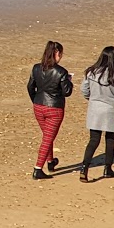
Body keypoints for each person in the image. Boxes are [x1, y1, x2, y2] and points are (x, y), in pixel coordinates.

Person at [79, 46, 114, 182]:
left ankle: (84, 167)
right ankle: (108, 168)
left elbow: (84, 89)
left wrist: (92, 99)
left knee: (93, 140)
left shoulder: (91, 72)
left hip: (95, 108)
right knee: (110, 139)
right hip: (111, 109)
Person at [26, 40, 73, 180]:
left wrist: (35, 100)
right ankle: (37, 169)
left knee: (48, 135)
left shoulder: (36, 68)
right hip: (54, 108)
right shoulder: (61, 72)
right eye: (61, 54)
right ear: (56, 53)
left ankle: (51, 162)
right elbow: (67, 92)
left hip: (38, 106)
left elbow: (30, 87)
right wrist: (69, 81)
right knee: (47, 138)